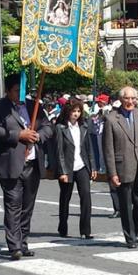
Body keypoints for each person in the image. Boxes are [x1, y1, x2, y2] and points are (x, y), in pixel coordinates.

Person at [0, 74, 52, 260]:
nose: (21, 94)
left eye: (23, 90)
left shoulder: (35, 106)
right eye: (17, 90)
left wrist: (38, 135)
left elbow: (48, 127)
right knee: (13, 204)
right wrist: (19, 135)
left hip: (33, 162)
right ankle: (14, 245)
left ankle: (23, 241)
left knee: (27, 206)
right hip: (11, 162)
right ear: (8, 91)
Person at [103, 86, 138, 248]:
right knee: (125, 205)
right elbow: (108, 149)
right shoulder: (111, 119)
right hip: (122, 165)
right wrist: (112, 173)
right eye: (127, 98)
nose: (131, 101)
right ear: (121, 100)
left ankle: (135, 228)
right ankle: (130, 237)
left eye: (133, 98)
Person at [54, 100, 97, 239]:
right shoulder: (61, 128)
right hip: (67, 166)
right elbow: (59, 151)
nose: (76, 114)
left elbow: (89, 149)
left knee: (86, 196)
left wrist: (93, 167)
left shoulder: (83, 126)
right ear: (67, 111)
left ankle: (86, 230)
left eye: (78, 111)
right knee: (65, 198)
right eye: (73, 111)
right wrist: (62, 172)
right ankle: (62, 227)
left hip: (82, 165)